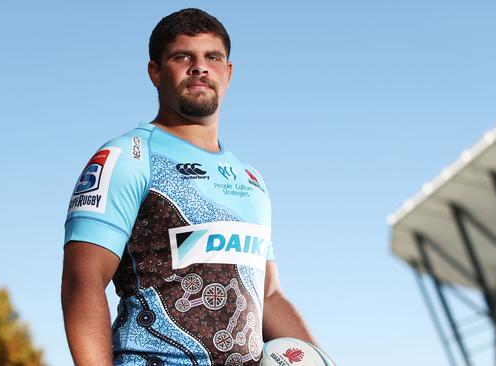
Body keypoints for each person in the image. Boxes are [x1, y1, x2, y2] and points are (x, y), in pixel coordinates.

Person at [61, 8, 318, 366]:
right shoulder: (125, 157)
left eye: (212, 57)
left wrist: (322, 360)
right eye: (182, 56)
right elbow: (83, 279)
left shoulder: (252, 181)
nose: (200, 67)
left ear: (228, 73)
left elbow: (270, 296)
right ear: (155, 72)